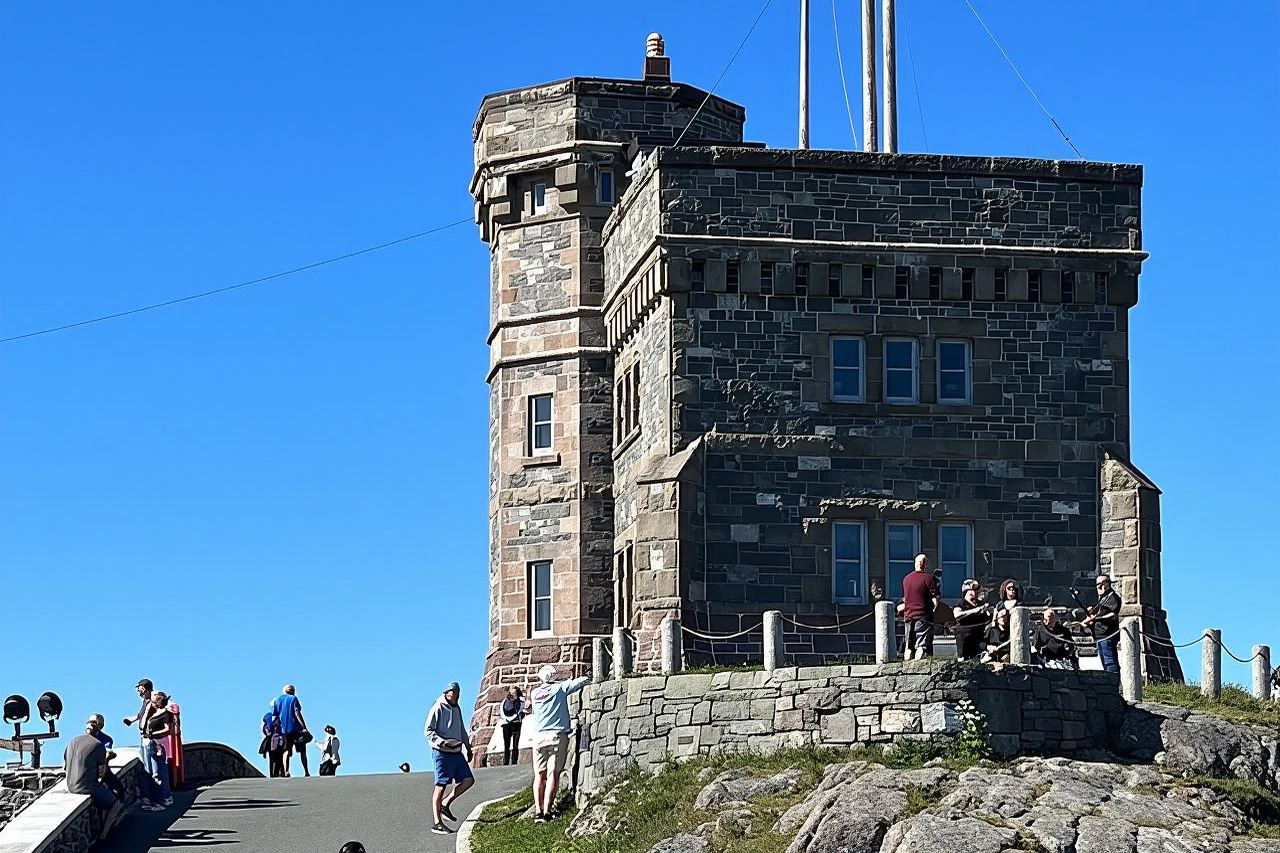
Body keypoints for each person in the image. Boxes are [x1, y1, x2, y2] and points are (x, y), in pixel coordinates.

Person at [529, 664, 589, 823]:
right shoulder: (560, 688)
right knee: (552, 773)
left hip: (539, 736)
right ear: (555, 677)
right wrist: (588, 676)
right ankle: (547, 811)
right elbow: (581, 682)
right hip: (557, 735)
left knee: (539, 775)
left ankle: (537, 809)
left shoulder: (534, 693)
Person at [424, 682, 473, 835]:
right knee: (440, 785)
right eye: (453, 695)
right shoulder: (438, 707)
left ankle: (445, 803)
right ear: (447, 693)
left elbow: (461, 729)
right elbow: (428, 730)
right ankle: (437, 822)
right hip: (442, 752)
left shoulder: (457, 708)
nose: (455, 697)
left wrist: (468, 747)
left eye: (457, 695)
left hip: (456, 751)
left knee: (468, 780)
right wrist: (441, 742)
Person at [64, 720, 125, 840]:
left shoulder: (72, 741)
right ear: (97, 732)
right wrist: (108, 759)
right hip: (86, 786)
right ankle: (104, 834)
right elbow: (102, 773)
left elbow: (65, 766)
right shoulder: (98, 745)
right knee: (116, 803)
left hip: (70, 784)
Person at [900, 554, 940, 660]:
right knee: (922, 646)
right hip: (923, 615)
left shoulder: (906, 579)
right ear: (925, 564)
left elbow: (905, 598)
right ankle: (920, 667)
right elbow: (935, 599)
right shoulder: (930, 578)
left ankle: (906, 666)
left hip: (908, 615)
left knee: (909, 646)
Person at [141, 691, 174, 811]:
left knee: (157, 773)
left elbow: (167, 729)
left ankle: (159, 800)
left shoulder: (164, 713)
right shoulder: (156, 712)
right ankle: (158, 798)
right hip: (151, 743)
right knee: (151, 772)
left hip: (158, 745)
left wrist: (153, 734)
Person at [1082, 574, 1122, 672]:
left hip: (1107, 634)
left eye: (1101, 584)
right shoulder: (1103, 599)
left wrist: (1095, 619)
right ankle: (1110, 682)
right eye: (1097, 584)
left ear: (1107, 584)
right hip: (1099, 635)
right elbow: (1097, 611)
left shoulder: (1113, 597)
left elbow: (1113, 615)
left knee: (1110, 661)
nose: (1098, 587)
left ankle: (1114, 683)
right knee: (1105, 662)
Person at [272, 684, 311, 777]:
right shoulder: (293, 698)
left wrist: (277, 729)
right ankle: (306, 771)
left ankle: (286, 771)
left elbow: (275, 717)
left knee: (286, 750)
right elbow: (297, 712)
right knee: (302, 751)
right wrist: (304, 727)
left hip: (284, 730)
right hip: (296, 729)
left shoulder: (277, 700)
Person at [86, 714, 126, 801]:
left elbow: (106, 754)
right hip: (86, 769)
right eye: (89, 722)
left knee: (118, 789)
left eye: (93, 722)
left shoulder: (106, 739)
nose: (91, 724)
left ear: (100, 725)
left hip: (100, 768)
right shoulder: (80, 740)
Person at [951, 580, 991, 661]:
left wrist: (989, 612)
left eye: (977, 591)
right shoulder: (961, 603)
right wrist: (975, 610)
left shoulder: (980, 604)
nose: (975, 593)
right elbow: (957, 615)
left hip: (978, 636)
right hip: (964, 636)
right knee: (963, 659)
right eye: (973, 591)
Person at [499, 686, 525, 766]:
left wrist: (509, 719)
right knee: (506, 744)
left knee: (515, 744)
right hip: (506, 724)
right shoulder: (505, 700)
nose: (512, 693)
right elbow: (501, 710)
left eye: (514, 692)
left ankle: (514, 762)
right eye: (511, 692)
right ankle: (506, 762)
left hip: (516, 724)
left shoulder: (521, 700)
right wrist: (506, 719)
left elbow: (519, 710)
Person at [260, 704, 287, 778]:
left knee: (272, 759)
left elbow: (266, 730)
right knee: (279, 758)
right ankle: (280, 773)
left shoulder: (267, 717)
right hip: (280, 740)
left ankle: (273, 774)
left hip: (271, 741)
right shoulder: (281, 716)